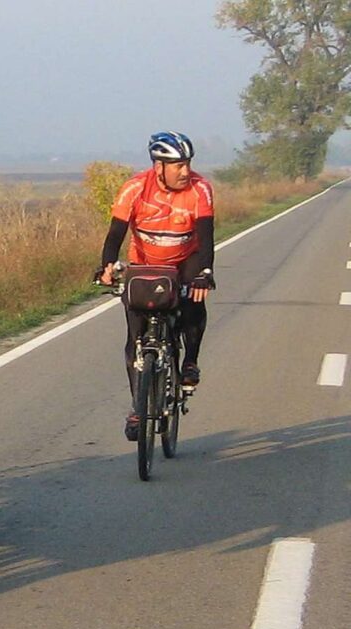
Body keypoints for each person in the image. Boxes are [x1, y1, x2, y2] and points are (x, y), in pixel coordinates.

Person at [98, 131, 216, 441]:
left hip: (185, 260)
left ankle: (189, 361)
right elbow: (115, 235)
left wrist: (204, 271)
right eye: (177, 165)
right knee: (134, 335)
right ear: (158, 166)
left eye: (187, 164)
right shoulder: (135, 188)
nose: (185, 171)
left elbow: (205, 236)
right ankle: (138, 407)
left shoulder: (200, 189)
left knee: (194, 301)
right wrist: (107, 265)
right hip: (145, 262)